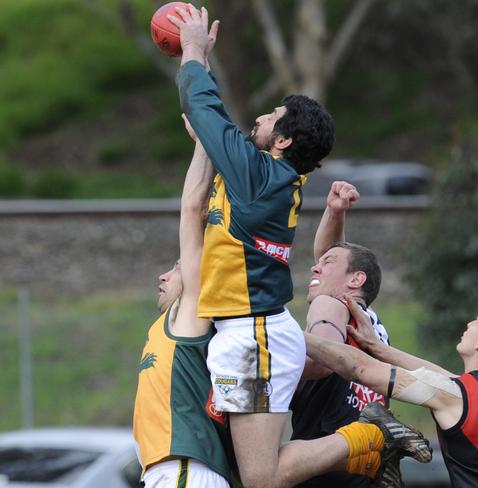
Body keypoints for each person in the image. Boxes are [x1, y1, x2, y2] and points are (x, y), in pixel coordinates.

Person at [166, 5, 362, 487]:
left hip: (253, 340)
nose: (261, 116)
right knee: (245, 474)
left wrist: (191, 50)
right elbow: (209, 123)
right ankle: (363, 442)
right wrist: (201, 67)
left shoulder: (260, 178)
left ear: (284, 139)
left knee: (259, 478)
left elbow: (207, 112)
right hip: (252, 335)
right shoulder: (262, 177)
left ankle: (365, 440)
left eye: (272, 115)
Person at [305, 293, 478, 488]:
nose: (470, 323)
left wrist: (291, 335)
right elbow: (447, 381)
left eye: (477, 320)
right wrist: (379, 348)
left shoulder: (455, 396)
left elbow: (360, 368)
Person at [133, 121, 232, 487]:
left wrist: (204, 138)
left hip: (184, 471)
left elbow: (192, 210)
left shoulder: (191, 314)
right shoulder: (165, 326)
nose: (162, 276)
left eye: (176, 269)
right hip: (173, 472)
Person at [290, 181, 391, 488]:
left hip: (325, 465)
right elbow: (336, 260)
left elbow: (322, 361)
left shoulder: (330, 303)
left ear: (356, 279)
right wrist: (335, 212)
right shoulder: (372, 325)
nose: (314, 269)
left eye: (325, 264)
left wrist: (269, 364)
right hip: (367, 466)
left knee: (257, 473)